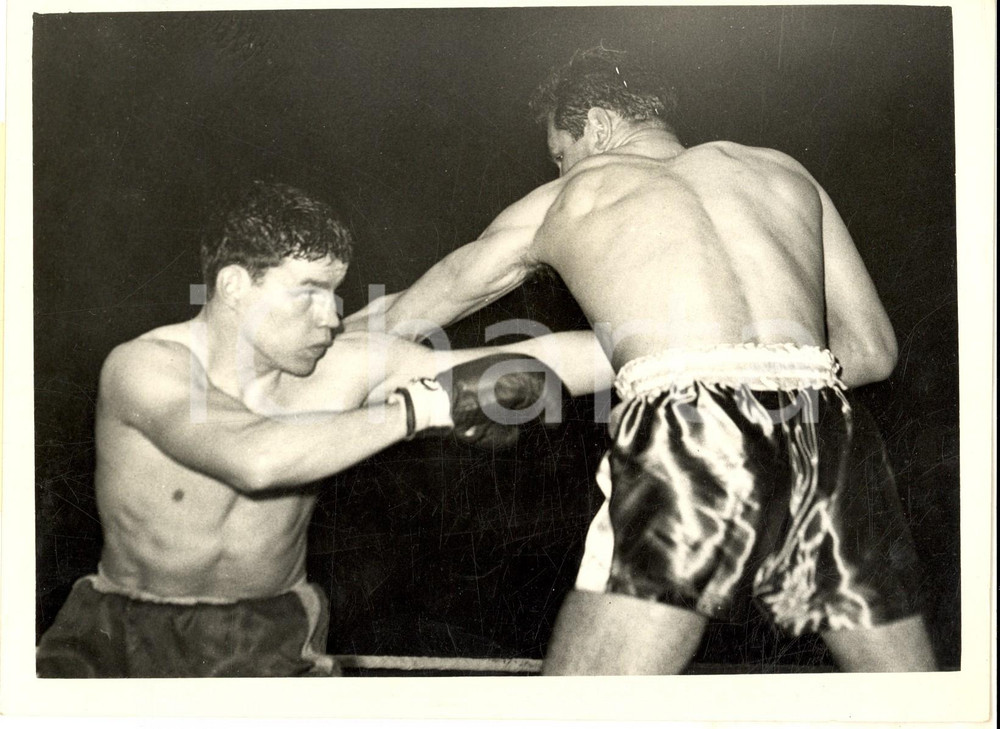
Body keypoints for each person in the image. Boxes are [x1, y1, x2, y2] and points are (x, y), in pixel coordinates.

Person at [344, 47, 937, 674]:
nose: (561, 167)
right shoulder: (785, 172)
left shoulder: (569, 195)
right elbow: (873, 351)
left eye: (560, 152)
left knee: (582, 710)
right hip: (829, 433)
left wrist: (308, 345)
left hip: (693, 436)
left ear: (597, 126)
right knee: (916, 704)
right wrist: (726, 355)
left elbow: (411, 311)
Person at [35, 181, 613, 678]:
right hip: (119, 629)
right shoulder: (142, 368)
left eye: (335, 293)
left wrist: (675, 354)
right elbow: (254, 459)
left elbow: (542, 361)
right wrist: (419, 411)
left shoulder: (343, 364)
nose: (333, 315)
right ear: (235, 286)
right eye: (309, 293)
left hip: (267, 628)